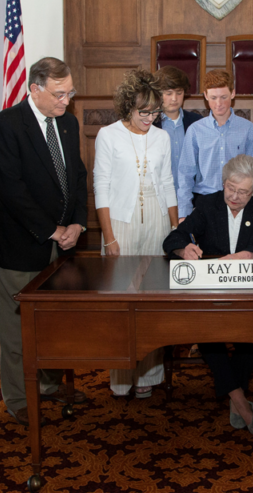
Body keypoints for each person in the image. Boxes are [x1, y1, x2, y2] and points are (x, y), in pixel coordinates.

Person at [0, 57, 88, 426]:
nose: (66, 101)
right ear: (35, 90)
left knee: (55, 324)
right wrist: (51, 230)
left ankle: (46, 384)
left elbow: (76, 175)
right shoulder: (6, 126)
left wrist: (77, 222)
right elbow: (12, 190)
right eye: (59, 94)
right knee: (17, 330)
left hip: (62, 246)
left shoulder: (69, 123)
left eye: (70, 92)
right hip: (20, 245)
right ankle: (17, 398)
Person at [163, 154, 253, 435]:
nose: (234, 195)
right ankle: (239, 399)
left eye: (242, 192)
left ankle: (234, 397)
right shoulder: (207, 205)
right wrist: (185, 250)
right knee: (209, 335)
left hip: (246, 288)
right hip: (211, 289)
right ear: (224, 183)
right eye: (230, 187)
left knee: (250, 336)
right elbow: (173, 239)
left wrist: (248, 254)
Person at [94, 69, 176, 397]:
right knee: (122, 300)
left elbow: (168, 182)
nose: (151, 118)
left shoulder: (162, 137)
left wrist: (174, 229)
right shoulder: (108, 135)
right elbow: (101, 186)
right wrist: (109, 237)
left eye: (155, 112)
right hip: (121, 224)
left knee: (152, 299)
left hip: (156, 221)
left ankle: (148, 376)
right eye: (144, 111)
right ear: (128, 105)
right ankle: (122, 377)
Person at [176, 69, 253, 220]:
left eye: (224, 97)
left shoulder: (248, 130)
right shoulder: (195, 130)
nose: (219, 104)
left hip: (238, 202)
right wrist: (183, 213)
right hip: (204, 200)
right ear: (205, 95)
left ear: (233, 93)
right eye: (213, 98)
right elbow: (185, 173)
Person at [154, 66, 202, 192]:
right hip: (159, 196)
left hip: (190, 196)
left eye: (179, 93)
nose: (174, 98)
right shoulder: (150, 124)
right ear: (158, 94)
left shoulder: (196, 122)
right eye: (168, 93)